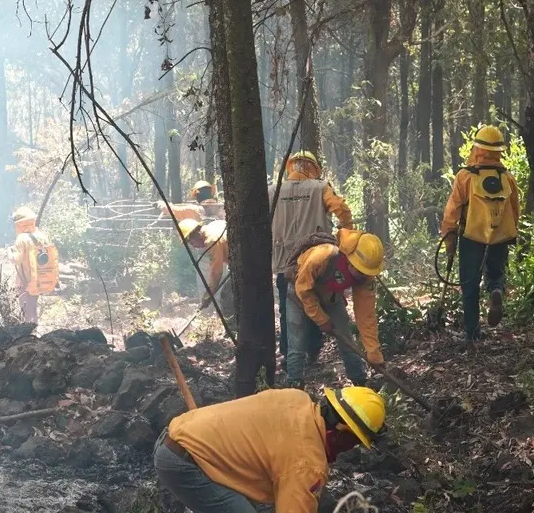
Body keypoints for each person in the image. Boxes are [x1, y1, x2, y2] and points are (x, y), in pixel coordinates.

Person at [154, 385, 386, 512]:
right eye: (355, 442)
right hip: (186, 464)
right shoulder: (306, 464)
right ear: (340, 433)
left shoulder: (297, 398)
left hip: (179, 433)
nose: (351, 449)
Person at [271, 151, 355, 373]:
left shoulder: (274, 190)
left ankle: (291, 359)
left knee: (289, 311)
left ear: (290, 167)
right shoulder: (320, 188)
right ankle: (314, 351)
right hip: (321, 261)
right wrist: (344, 236)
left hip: (284, 263)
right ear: (314, 168)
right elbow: (342, 210)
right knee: (319, 300)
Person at [440, 125, 521, 342]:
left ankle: (473, 333)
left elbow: (452, 211)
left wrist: (449, 240)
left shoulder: (465, 177)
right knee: (496, 274)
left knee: (469, 283)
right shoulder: (507, 177)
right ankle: (495, 290)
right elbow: (515, 210)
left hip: (471, 237)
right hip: (499, 237)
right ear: (499, 151)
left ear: (477, 149)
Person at [286, 228, 384, 387]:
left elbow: (366, 316)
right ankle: (294, 384)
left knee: (345, 336)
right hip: (298, 293)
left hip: (330, 296)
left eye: (366, 272)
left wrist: (374, 353)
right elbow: (303, 290)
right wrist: (321, 319)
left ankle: (360, 381)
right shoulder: (322, 257)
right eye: (359, 270)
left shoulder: (366, 277)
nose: (362, 274)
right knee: (297, 341)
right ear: (350, 257)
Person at [11, 206, 59, 325]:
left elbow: (16, 260)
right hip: (39, 279)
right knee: (33, 307)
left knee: (25, 309)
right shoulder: (42, 236)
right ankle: (35, 331)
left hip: (25, 282)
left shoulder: (21, 238)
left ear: (19, 223)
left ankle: (29, 335)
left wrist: (10, 251)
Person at [178, 218, 229, 310]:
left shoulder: (211, 240)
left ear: (196, 233)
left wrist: (207, 296)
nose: (193, 246)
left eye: (190, 242)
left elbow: (217, 273)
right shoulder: (213, 226)